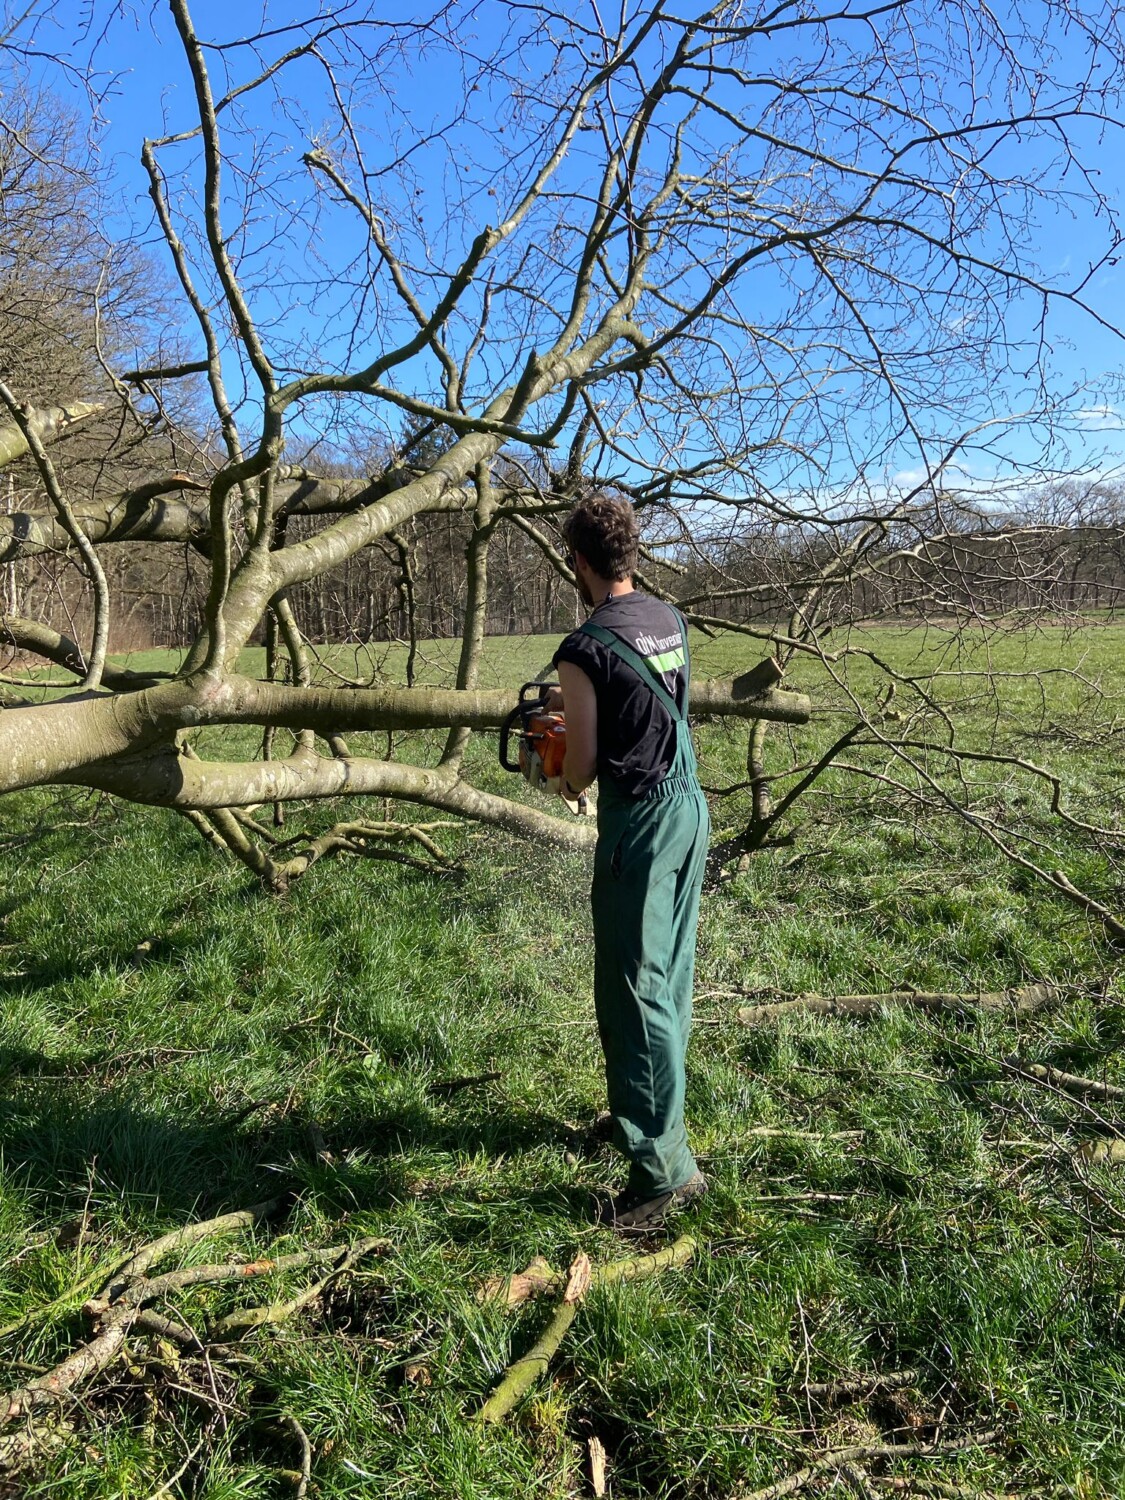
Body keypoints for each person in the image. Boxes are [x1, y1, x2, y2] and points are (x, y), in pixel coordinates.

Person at [552, 493, 710, 1231]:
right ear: (632, 554)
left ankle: (663, 1173)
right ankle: (640, 1117)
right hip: (688, 809)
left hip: (638, 828)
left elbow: (579, 770)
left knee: (633, 990)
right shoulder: (666, 619)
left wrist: (547, 766)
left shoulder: (583, 647)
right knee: (667, 978)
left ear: (578, 561)